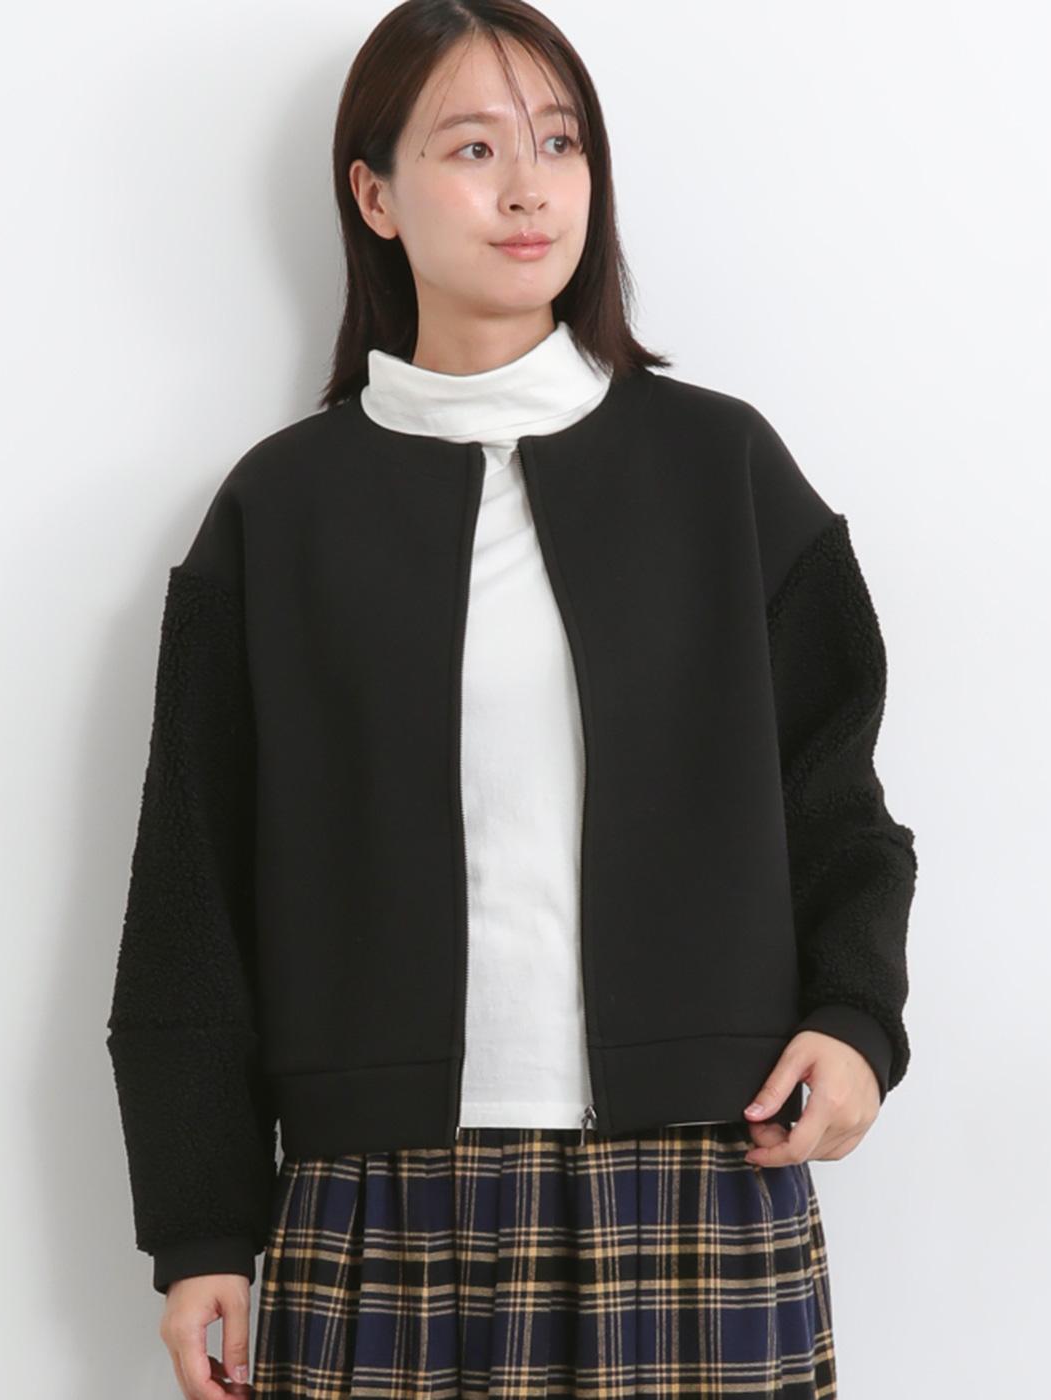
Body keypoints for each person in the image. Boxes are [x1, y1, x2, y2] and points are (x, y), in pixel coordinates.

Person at [105, 3, 918, 1396]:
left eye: (560, 142)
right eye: (473, 148)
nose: (530, 188)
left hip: (698, 1172)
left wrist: (855, 1024)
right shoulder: (279, 513)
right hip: (375, 1194)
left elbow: (836, 801)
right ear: (375, 195)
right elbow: (193, 896)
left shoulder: (724, 474)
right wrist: (201, 1230)